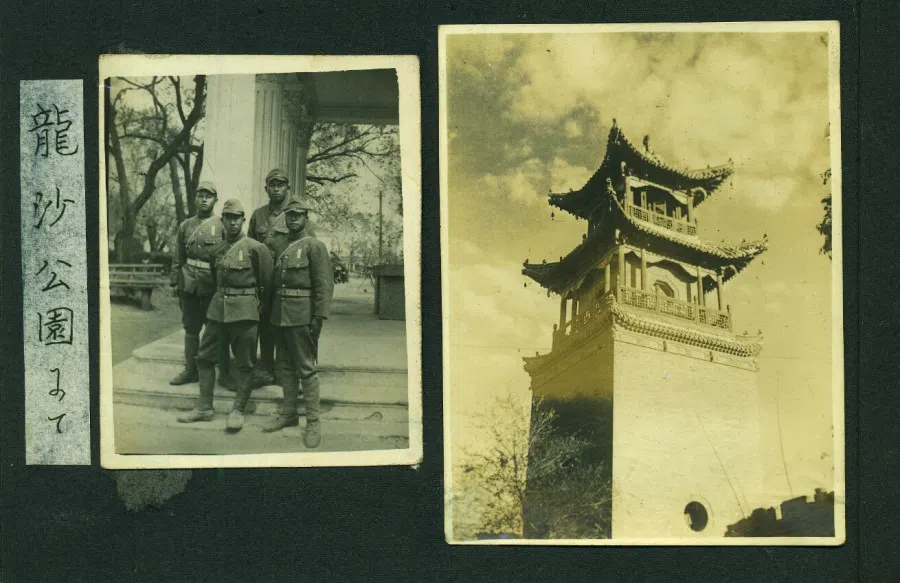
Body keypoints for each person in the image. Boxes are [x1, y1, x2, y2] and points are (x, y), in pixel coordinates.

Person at [178, 198, 274, 430]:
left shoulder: (256, 248)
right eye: (228, 218)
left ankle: (238, 410)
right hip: (218, 310)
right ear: (222, 220)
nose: (232, 222)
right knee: (204, 357)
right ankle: (204, 407)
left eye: (236, 218)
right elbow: (215, 280)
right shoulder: (217, 250)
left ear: (243, 220)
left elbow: (267, 284)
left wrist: (256, 310)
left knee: (245, 364)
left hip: (245, 312)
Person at [263, 196, 334, 448]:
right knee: (283, 366)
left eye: (298, 215)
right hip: (279, 314)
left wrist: (319, 317)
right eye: (290, 215)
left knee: (306, 368)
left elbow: (324, 284)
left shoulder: (315, 246)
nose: (293, 219)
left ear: (306, 218)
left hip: (302, 316)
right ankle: (289, 413)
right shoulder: (280, 243)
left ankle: (313, 422)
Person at [168, 181, 230, 388]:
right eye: (200, 196)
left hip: (212, 286)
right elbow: (178, 256)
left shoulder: (222, 225)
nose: (204, 200)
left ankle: (223, 373)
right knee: (191, 328)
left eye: (208, 196)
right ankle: (190, 370)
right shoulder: (186, 226)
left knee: (217, 329)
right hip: (189, 285)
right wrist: (175, 282)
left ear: (215, 200)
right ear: (195, 198)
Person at [247, 168, 292, 387]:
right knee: (263, 322)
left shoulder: (294, 214)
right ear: (266, 189)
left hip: (285, 278)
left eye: (280, 185)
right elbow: (248, 246)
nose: (276, 189)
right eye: (272, 185)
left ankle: (283, 370)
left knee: (283, 323)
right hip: (262, 280)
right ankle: (265, 368)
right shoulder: (258, 215)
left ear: (287, 188)